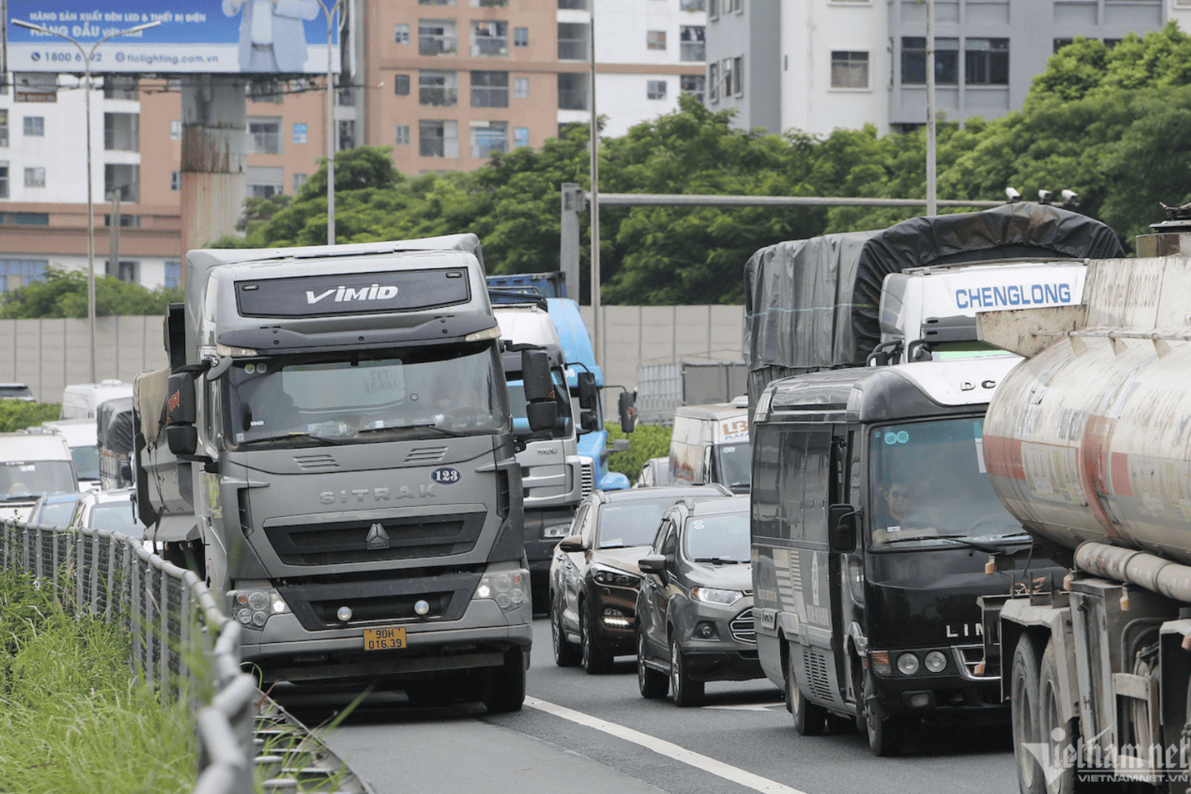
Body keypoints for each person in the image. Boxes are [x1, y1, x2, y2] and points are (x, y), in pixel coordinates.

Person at [223, 0, 319, 73]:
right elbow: (227, 9)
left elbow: (311, 10)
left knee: (292, 96)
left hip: (289, 55)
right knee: (248, 99)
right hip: (250, 56)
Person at [873, 477, 940, 545]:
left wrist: (894, 536)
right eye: (895, 494)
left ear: (910, 499)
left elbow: (933, 532)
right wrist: (915, 533)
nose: (900, 499)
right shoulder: (879, 520)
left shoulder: (921, 518)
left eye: (905, 495)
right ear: (886, 496)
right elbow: (879, 539)